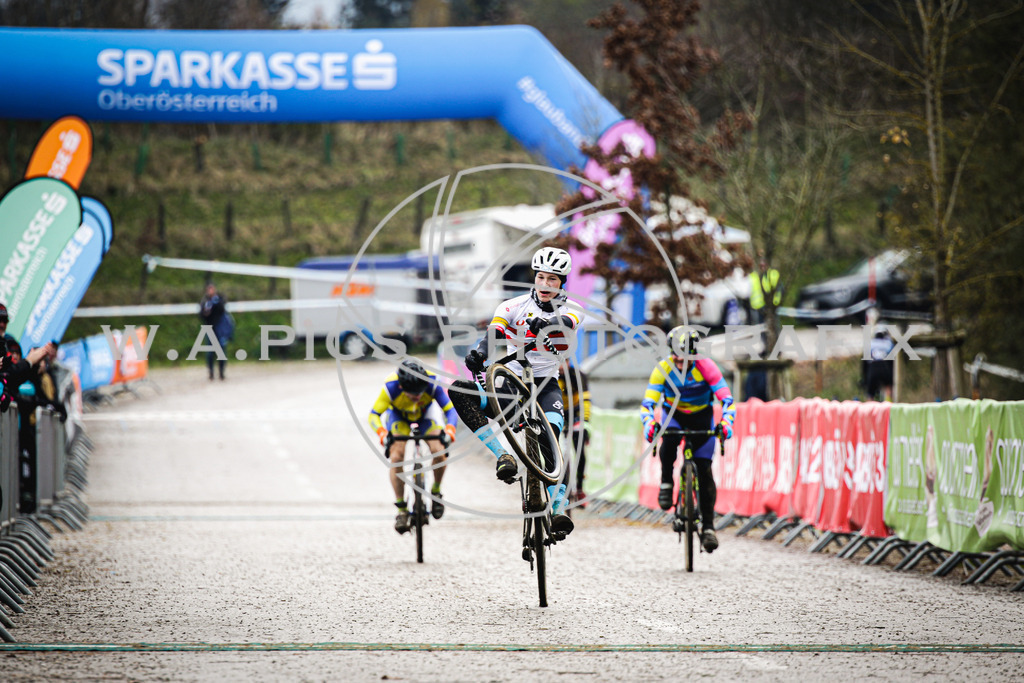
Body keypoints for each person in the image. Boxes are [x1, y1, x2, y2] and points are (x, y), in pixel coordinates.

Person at [447, 247, 582, 540]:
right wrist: (481, 353)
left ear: (562, 283)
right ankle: (503, 456)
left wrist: (546, 324)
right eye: (541, 277)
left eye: (553, 279)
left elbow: (567, 323)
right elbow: (495, 331)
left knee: (552, 436)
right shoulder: (512, 306)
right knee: (459, 391)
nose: (545, 284)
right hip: (511, 384)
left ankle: (558, 508)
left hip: (546, 385)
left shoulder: (572, 309)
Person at [640, 326, 736, 553]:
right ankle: (666, 482)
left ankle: (710, 528)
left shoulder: (706, 367)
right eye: (678, 359)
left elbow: (727, 400)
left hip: (701, 418)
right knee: (669, 442)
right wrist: (650, 425)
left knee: (704, 470)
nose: (681, 364)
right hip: (674, 416)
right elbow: (648, 405)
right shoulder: (662, 369)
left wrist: (726, 423)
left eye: (687, 359)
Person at [368, 359, 458, 534]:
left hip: (426, 416)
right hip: (399, 417)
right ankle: (401, 509)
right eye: (413, 393)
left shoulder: (432, 383)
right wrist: (382, 434)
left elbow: (450, 410)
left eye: (420, 392)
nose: (417, 396)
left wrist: (450, 430)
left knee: (439, 451)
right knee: (396, 456)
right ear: (402, 387)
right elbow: (373, 415)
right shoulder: (391, 387)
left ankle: (436, 493)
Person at [558, 360, 591, 507]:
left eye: (564, 361)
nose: (561, 366)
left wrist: (586, 421)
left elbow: (585, 399)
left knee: (579, 450)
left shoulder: (577, 375)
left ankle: (579, 488)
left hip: (577, 414)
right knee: (559, 452)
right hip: (559, 413)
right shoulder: (552, 375)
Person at [199, 283, 234, 381]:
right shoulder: (205, 301)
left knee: (221, 351)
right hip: (210, 329)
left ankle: (222, 372)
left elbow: (222, 309)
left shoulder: (219, 299)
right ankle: (211, 373)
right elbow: (201, 314)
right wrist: (206, 312)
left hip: (220, 329)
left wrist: (215, 303)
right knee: (210, 353)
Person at [863, 328, 895, 401]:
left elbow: (865, 364)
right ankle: (888, 405)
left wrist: (865, 379)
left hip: (873, 367)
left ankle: (869, 408)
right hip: (885, 366)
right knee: (888, 387)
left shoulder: (870, 343)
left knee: (870, 393)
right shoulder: (889, 343)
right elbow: (892, 363)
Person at [748, 256, 781, 324]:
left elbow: (778, 289)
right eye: (761, 266)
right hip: (761, 306)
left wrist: (775, 303)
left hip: (772, 305)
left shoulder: (772, 274)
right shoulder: (757, 276)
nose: (762, 267)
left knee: (773, 326)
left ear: (767, 265)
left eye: (763, 265)